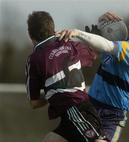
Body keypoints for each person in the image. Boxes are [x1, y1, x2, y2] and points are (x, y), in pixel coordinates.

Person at [56, 3, 129, 142]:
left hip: (110, 116)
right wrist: (102, 25)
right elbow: (93, 50)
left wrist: (78, 32)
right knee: (52, 139)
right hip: (89, 107)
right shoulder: (123, 42)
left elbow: (106, 45)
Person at [25, 11, 107, 142]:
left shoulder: (34, 59)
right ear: (53, 29)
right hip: (73, 114)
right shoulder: (71, 45)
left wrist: (52, 93)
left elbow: (34, 102)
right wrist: (92, 37)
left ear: (31, 36)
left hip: (76, 110)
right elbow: (94, 53)